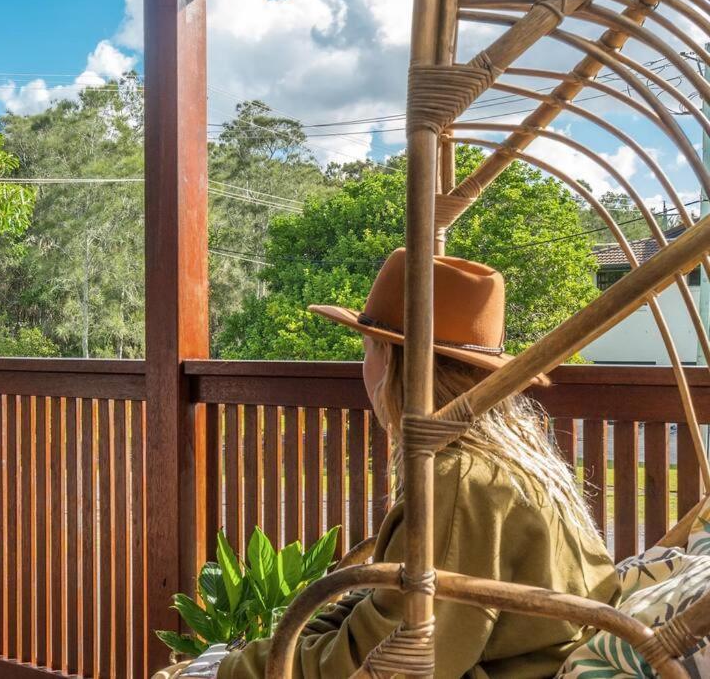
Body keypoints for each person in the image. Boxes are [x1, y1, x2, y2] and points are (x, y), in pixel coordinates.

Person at [212, 248, 619, 678]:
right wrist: (269, 651)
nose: (362, 366)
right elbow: (378, 615)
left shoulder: (458, 484)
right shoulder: (503, 461)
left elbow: (383, 663)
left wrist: (226, 671)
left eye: (366, 348)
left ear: (390, 358)